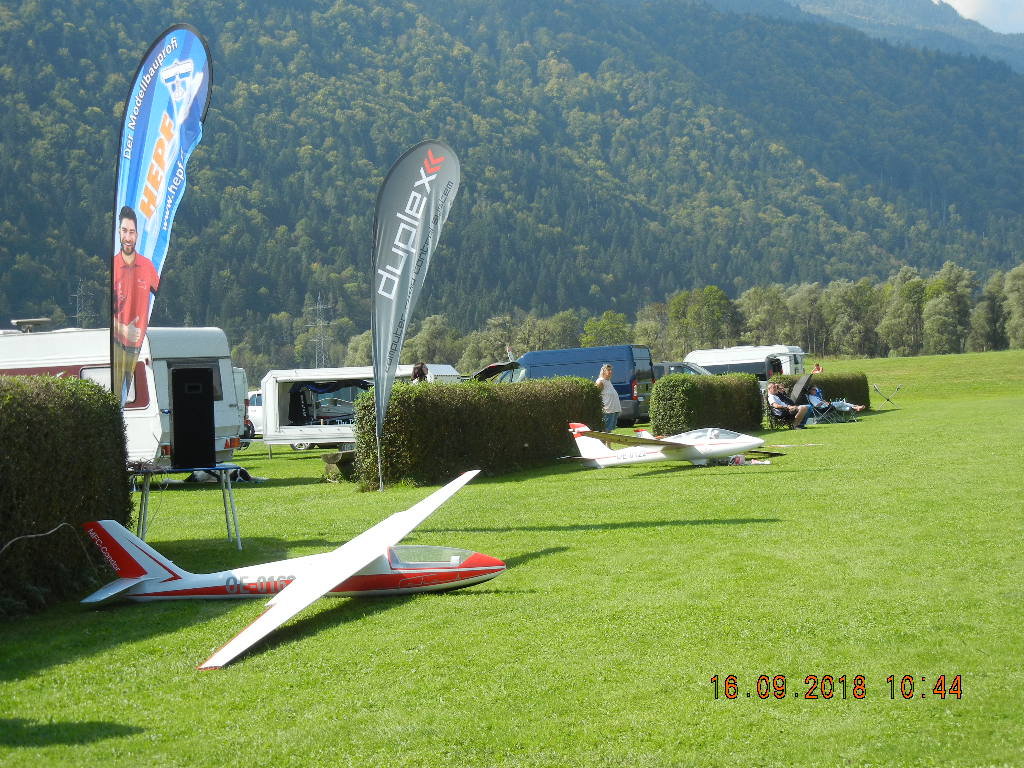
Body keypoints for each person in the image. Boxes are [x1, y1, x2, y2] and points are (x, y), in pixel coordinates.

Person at [112, 206, 160, 351]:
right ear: (119, 231)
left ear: (137, 235)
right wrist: (123, 329)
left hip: (142, 349)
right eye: (124, 231)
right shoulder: (113, 267)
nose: (128, 238)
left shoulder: (147, 266)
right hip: (117, 348)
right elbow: (102, 314)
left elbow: (163, 299)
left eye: (131, 232)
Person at [594, 363, 622, 432]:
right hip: (607, 411)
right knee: (605, 430)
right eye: (608, 370)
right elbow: (596, 395)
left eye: (611, 370)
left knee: (610, 430)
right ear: (603, 371)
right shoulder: (600, 381)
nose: (610, 372)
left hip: (613, 410)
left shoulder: (608, 381)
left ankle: (608, 440)